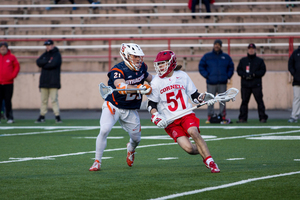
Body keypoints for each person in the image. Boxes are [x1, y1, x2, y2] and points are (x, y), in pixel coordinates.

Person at [147, 50, 220, 173]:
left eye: (162, 63)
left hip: (186, 114)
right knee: (189, 149)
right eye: (158, 64)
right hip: (171, 121)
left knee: (193, 132)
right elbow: (151, 104)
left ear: (171, 63)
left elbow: (195, 96)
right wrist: (155, 116)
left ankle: (210, 161)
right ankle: (204, 149)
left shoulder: (182, 75)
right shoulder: (156, 82)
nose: (160, 67)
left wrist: (204, 98)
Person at [89, 43, 153, 171]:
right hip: (113, 105)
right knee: (104, 129)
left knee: (136, 139)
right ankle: (97, 161)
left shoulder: (142, 68)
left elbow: (152, 79)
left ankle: (130, 148)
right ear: (126, 56)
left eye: (139, 57)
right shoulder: (117, 70)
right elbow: (121, 86)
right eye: (135, 57)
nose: (138, 60)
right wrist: (139, 89)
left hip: (130, 109)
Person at [198, 39, 234, 124]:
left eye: (218, 44)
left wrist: (227, 76)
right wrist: (207, 76)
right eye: (215, 44)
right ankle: (210, 116)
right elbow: (201, 67)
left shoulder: (226, 57)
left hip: (222, 82)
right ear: (213, 45)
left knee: (223, 100)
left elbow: (231, 67)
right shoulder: (207, 56)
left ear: (221, 46)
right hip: (211, 82)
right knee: (210, 100)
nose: (216, 46)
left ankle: (223, 116)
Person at [236, 43, 268, 123]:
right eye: (249, 49)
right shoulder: (243, 61)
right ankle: (242, 118)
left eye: (252, 49)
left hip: (256, 84)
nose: (251, 50)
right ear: (247, 50)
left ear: (255, 50)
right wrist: (245, 75)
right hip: (245, 85)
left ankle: (262, 117)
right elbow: (239, 71)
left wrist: (254, 75)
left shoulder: (259, 61)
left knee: (259, 101)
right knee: (244, 101)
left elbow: (263, 71)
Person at [35, 40, 62, 123]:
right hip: (44, 81)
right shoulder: (45, 54)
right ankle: (42, 115)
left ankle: (57, 116)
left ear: (53, 45)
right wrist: (47, 61)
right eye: (46, 45)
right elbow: (38, 62)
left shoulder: (57, 55)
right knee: (44, 100)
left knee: (54, 99)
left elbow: (53, 64)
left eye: (49, 45)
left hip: (53, 81)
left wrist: (45, 63)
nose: (47, 47)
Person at [0, 42, 20, 124]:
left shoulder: (12, 57)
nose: (3, 48)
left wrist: (12, 76)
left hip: (8, 83)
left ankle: (10, 117)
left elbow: (17, 66)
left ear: (7, 48)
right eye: (1, 47)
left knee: (8, 101)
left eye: (4, 47)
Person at [288, 45, 300, 123]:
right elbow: (290, 65)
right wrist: (294, 74)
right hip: (297, 80)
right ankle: (294, 116)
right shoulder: (295, 53)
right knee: (297, 98)